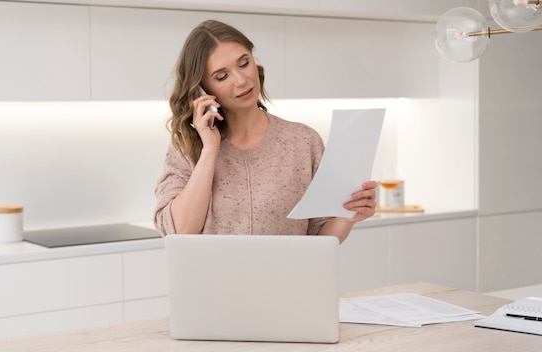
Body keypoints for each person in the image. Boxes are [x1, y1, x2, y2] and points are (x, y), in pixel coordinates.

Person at [154, 20, 376, 243]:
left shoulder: (304, 141)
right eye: (222, 76)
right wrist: (210, 149)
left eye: (244, 63)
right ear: (201, 90)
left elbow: (321, 237)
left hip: (288, 277)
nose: (242, 80)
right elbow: (179, 230)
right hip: (213, 278)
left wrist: (348, 216)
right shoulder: (187, 148)